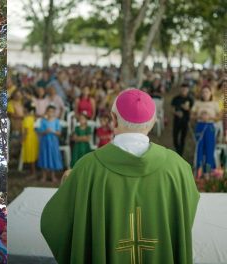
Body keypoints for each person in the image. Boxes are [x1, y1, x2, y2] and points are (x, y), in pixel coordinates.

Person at [41, 88, 199, 263]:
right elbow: (184, 214)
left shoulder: (87, 168)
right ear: (153, 122)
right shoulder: (179, 168)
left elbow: (54, 223)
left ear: (113, 119)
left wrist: (70, 186)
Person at [191, 85, 221, 178]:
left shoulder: (215, 103)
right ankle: (199, 172)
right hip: (200, 126)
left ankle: (207, 172)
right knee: (199, 148)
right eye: (203, 92)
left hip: (210, 126)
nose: (205, 94)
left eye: (207, 92)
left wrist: (210, 117)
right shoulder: (197, 103)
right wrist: (200, 117)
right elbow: (192, 116)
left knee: (209, 149)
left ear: (210, 93)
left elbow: (219, 116)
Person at [37, 105, 63, 182]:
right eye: (49, 111)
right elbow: (40, 132)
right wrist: (45, 131)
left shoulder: (56, 121)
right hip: (45, 142)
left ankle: (53, 176)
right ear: (46, 112)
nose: (50, 113)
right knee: (44, 157)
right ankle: (44, 176)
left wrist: (53, 131)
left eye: (52, 111)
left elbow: (59, 133)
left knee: (52, 157)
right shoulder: (43, 121)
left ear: (54, 113)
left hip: (53, 142)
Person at [171, 83, 194, 156]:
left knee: (183, 138)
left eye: (185, 89)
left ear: (188, 90)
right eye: (182, 89)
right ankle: (178, 149)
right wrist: (176, 113)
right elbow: (172, 110)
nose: (184, 90)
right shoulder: (176, 98)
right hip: (177, 121)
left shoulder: (190, 99)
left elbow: (193, 111)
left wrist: (188, 109)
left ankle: (180, 153)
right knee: (175, 138)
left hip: (185, 121)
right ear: (180, 89)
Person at [21, 101, 39, 177]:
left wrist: (22, 139)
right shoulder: (33, 117)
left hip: (28, 139)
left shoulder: (26, 119)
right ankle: (32, 172)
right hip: (34, 138)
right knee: (32, 155)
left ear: (26, 109)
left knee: (30, 155)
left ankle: (33, 173)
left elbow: (26, 131)